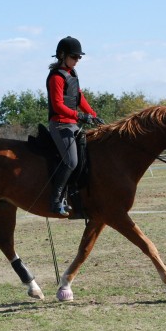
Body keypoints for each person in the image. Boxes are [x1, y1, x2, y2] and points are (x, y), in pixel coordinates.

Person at [46, 36, 103, 215]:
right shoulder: (56, 77)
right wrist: (79, 115)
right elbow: (58, 106)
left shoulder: (72, 74)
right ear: (62, 55)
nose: (77, 60)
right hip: (60, 125)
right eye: (74, 56)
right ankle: (56, 201)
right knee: (71, 161)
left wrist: (93, 115)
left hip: (72, 125)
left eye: (79, 57)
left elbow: (79, 98)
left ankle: (76, 197)